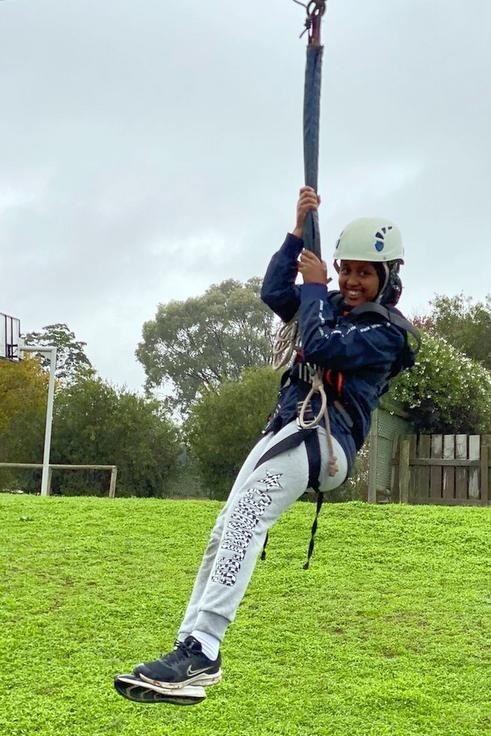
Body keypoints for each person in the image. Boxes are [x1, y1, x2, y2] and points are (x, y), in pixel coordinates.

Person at [127, 185, 418, 694]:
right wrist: (296, 233)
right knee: (225, 527)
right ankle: (189, 644)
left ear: (387, 278)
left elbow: (318, 342)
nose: (350, 280)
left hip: (327, 442)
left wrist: (315, 288)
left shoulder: (387, 333)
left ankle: (206, 649)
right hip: (287, 427)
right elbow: (273, 294)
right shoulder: (322, 303)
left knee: (247, 514)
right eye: (345, 269)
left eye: (364, 272)